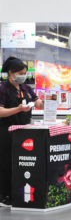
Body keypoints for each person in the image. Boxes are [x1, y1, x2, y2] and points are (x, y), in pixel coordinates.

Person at [0, 57, 43, 207]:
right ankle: (4, 196)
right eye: (20, 73)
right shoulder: (3, 89)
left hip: (23, 133)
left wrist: (48, 102)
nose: (23, 76)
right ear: (11, 73)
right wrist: (17, 109)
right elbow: (0, 112)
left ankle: (17, 193)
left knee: (21, 164)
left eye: (25, 73)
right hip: (6, 132)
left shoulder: (26, 88)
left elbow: (38, 103)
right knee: (6, 164)